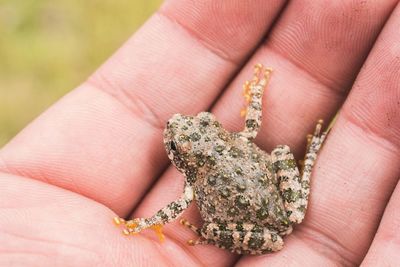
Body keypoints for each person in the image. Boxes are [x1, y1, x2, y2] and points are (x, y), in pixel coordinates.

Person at [0, 1, 399, 266]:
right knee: (277, 153)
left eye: (196, 128)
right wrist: (257, 91)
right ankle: (306, 162)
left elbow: (174, 210)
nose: (178, 125)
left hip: (275, 219)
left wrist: (141, 224)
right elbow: (252, 122)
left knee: (218, 218)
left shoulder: (205, 173)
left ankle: (303, 165)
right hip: (280, 210)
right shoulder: (234, 144)